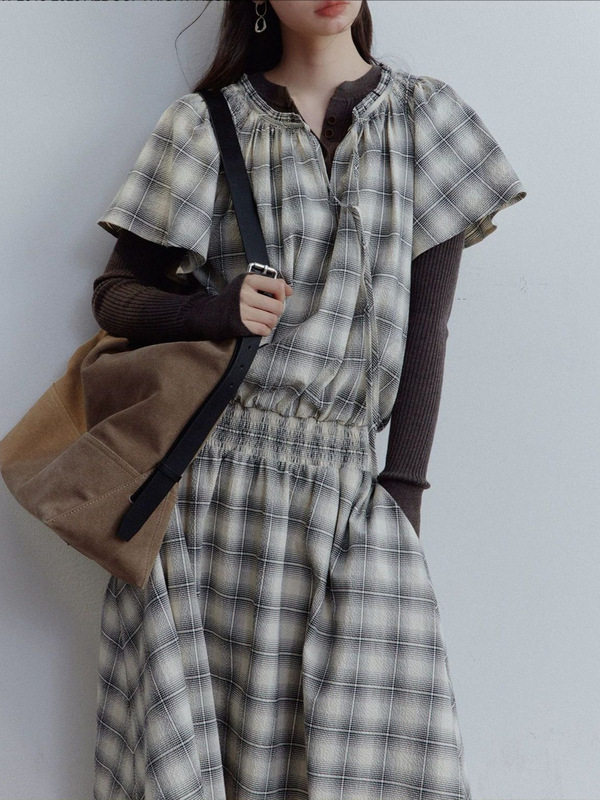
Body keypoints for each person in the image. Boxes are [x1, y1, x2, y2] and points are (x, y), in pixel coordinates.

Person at [91, 2, 526, 798]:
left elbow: (427, 331)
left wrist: (401, 497)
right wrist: (213, 311)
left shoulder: (428, 121)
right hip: (204, 496)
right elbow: (115, 297)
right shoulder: (205, 125)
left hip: (346, 492)